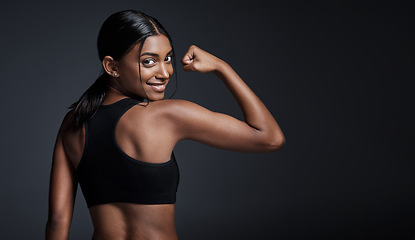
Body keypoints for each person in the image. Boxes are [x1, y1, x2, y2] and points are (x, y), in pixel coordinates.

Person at [45, 9, 285, 240]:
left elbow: (57, 221)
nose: (165, 72)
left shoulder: (72, 123)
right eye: (149, 61)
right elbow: (269, 137)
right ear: (112, 67)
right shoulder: (167, 114)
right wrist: (222, 67)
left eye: (167, 58)